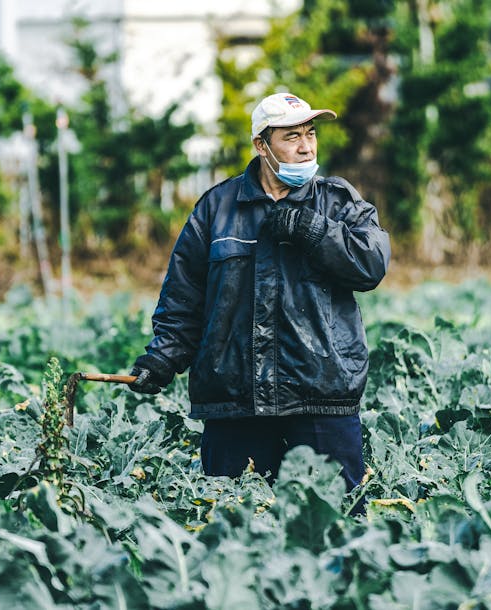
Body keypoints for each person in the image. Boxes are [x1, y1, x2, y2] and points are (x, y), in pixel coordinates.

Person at [128, 91, 390, 499]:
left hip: (321, 395)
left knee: (334, 525)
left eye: (311, 133)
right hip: (236, 403)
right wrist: (163, 358)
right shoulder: (216, 208)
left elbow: (371, 264)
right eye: (291, 137)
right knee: (234, 529)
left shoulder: (337, 201)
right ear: (261, 146)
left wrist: (311, 230)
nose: (306, 146)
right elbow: (185, 298)